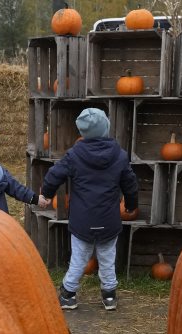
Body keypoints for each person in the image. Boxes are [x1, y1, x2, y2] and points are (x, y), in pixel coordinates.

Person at [39, 108, 138, 311]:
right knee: (107, 258)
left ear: (82, 132)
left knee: (79, 258)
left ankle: (68, 294)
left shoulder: (74, 155)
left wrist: (47, 194)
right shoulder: (119, 155)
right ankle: (109, 296)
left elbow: (53, 174)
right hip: (109, 219)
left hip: (82, 220)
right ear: (106, 128)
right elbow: (130, 183)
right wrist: (131, 205)